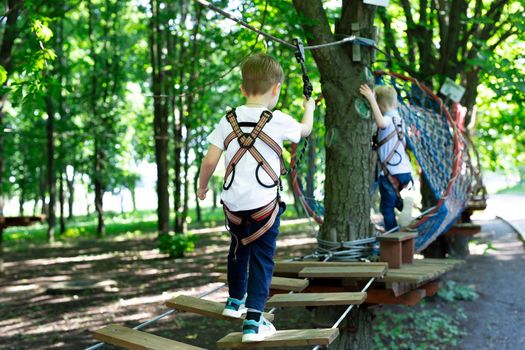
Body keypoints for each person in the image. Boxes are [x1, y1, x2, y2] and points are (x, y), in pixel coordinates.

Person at [197, 53, 315, 342]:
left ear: (242, 89)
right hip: (264, 207)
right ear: (276, 89)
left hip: (233, 206)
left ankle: (234, 301)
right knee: (262, 258)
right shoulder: (278, 120)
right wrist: (309, 106)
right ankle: (253, 322)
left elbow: (210, 160)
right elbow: (306, 130)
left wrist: (201, 186)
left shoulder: (228, 120)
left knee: (238, 248)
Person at [360, 84, 413, 232]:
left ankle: (392, 234)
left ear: (380, 106)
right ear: (395, 103)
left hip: (390, 172)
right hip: (405, 171)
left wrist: (371, 99)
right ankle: (405, 209)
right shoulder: (400, 120)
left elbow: (381, 123)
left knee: (387, 208)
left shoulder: (387, 119)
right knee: (395, 200)